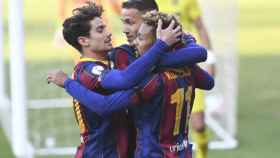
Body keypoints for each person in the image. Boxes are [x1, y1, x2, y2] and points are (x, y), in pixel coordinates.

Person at [47, 2, 183, 157]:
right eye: (100, 30)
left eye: (105, 27)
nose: (108, 33)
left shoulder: (113, 60)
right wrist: (140, 89)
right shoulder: (87, 71)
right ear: (84, 41)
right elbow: (108, 101)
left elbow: (199, 56)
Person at [156, 1, 216, 158]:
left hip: (189, 65)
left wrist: (211, 59)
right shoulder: (155, 3)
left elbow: (201, 27)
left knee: (199, 124)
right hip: (167, 68)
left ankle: (202, 154)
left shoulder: (189, 1)